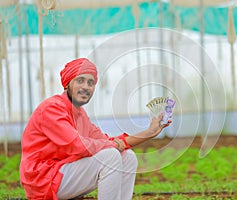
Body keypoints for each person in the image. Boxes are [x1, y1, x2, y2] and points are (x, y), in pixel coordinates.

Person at [20, 58, 171, 200]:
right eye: (80, 81)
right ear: (67, 84)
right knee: (110, 155)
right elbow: (77, 146)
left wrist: (149, 132)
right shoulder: (52, 109)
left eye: (91, 83)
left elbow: (105, 141)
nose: (86, 86)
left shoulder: (80, 114)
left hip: (62, 173)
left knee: (128, 156)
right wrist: (115, 145)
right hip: (42, 180)